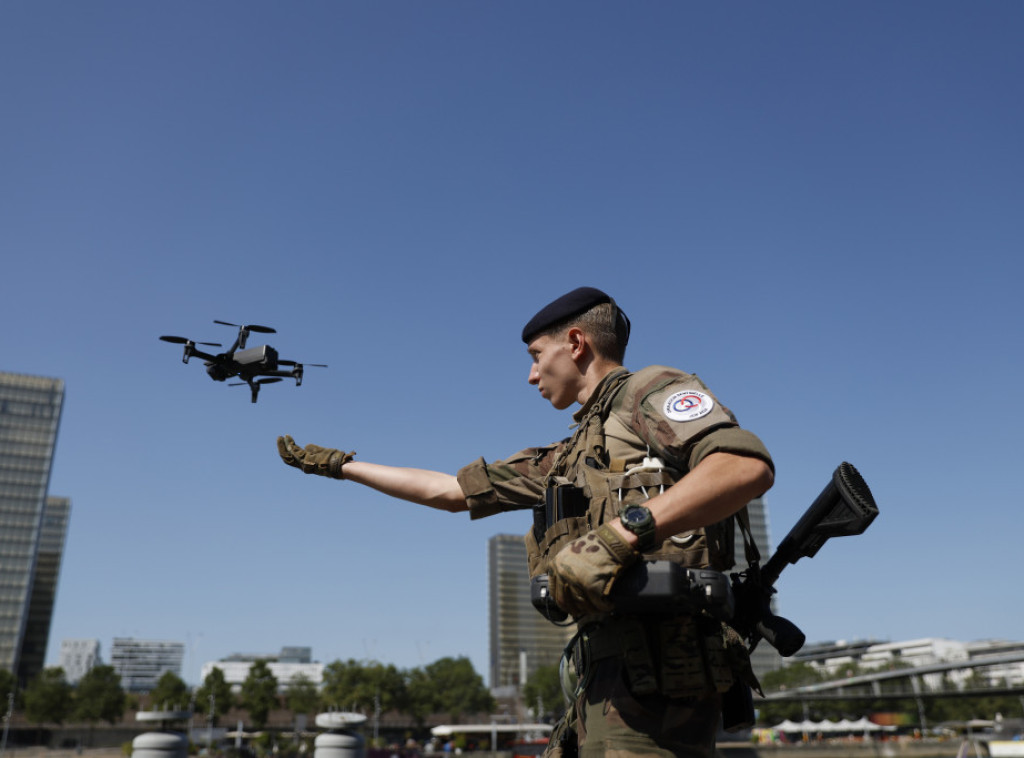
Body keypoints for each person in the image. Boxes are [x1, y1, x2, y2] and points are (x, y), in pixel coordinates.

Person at [278, 286, 774, 758]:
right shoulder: (567, 456)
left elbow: (743, 465)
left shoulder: (647, 391)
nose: (532, 375)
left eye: (537, 356)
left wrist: (619, 535)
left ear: (576, 344)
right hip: (605, 671)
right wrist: (343, 466)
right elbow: (451, 491)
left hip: (664, 669)